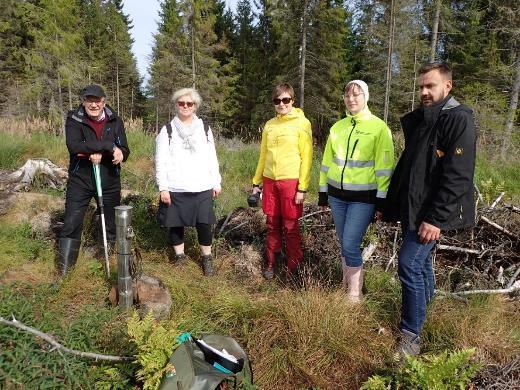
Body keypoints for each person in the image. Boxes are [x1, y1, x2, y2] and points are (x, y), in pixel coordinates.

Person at [382, 62, 476, 358]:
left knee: (408, 265)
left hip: (430, 213)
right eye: (421, 86)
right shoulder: (425, 120)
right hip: (413, 207)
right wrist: (389, 206)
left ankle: (411, 337)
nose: (423, 91)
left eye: (430, 86)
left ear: (447, 86)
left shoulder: (458, 119)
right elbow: (409, 169)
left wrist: (434, 219)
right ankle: (425, 313)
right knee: (420, 266)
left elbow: (458, 176)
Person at [319, 80, 394, 302]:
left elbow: (385, 168)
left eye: (356, 95)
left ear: (366, 97)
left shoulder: (379, 128)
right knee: (344, 243)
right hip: (336, 197)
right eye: (347, 95)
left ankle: (354, 295)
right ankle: (346, 285)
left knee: (351, 243)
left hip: (363, 198)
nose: (351, 99)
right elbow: (326, 163)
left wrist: (382, 201)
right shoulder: (337, 127)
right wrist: (323, 193)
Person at [58, 84, 130, 274]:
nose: (93, 104)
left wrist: (120, 153)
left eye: (97, 101)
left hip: (109, 179)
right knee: (72, 221)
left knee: (111, 224)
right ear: (83, 101)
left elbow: (124, 148)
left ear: (103, 102)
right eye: (89, 100)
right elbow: (74, 146)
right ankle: (65, 272)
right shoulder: (74, 119)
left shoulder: (115, 120)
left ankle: (111, 263)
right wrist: (107, 146)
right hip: (80, 179)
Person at [155, 88, 221, 276]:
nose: (185, 106)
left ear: (195, 106)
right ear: (176, 105)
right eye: (181, 103)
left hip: (202, 185)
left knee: (204, 223)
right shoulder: (167, 130)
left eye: (189, 104)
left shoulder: (205, 129)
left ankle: (206, 259)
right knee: (176, 223)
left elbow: (212, 157)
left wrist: (216, 181)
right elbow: (160, 160)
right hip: (175, 186)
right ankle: (180, 257)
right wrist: (163, 187)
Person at [252, 83, 313, 280]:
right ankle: (271, 261)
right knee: (272, 223)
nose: (281, 104)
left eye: (286, 100)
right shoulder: (269, 125)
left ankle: (294, 264)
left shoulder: (302, 123)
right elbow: (263, 155)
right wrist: (256, 182)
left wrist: (302, 187)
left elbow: (307, 157)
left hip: (291, 181)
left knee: (290, 225)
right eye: (277, 101)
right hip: (270, 181)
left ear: (293, 101)